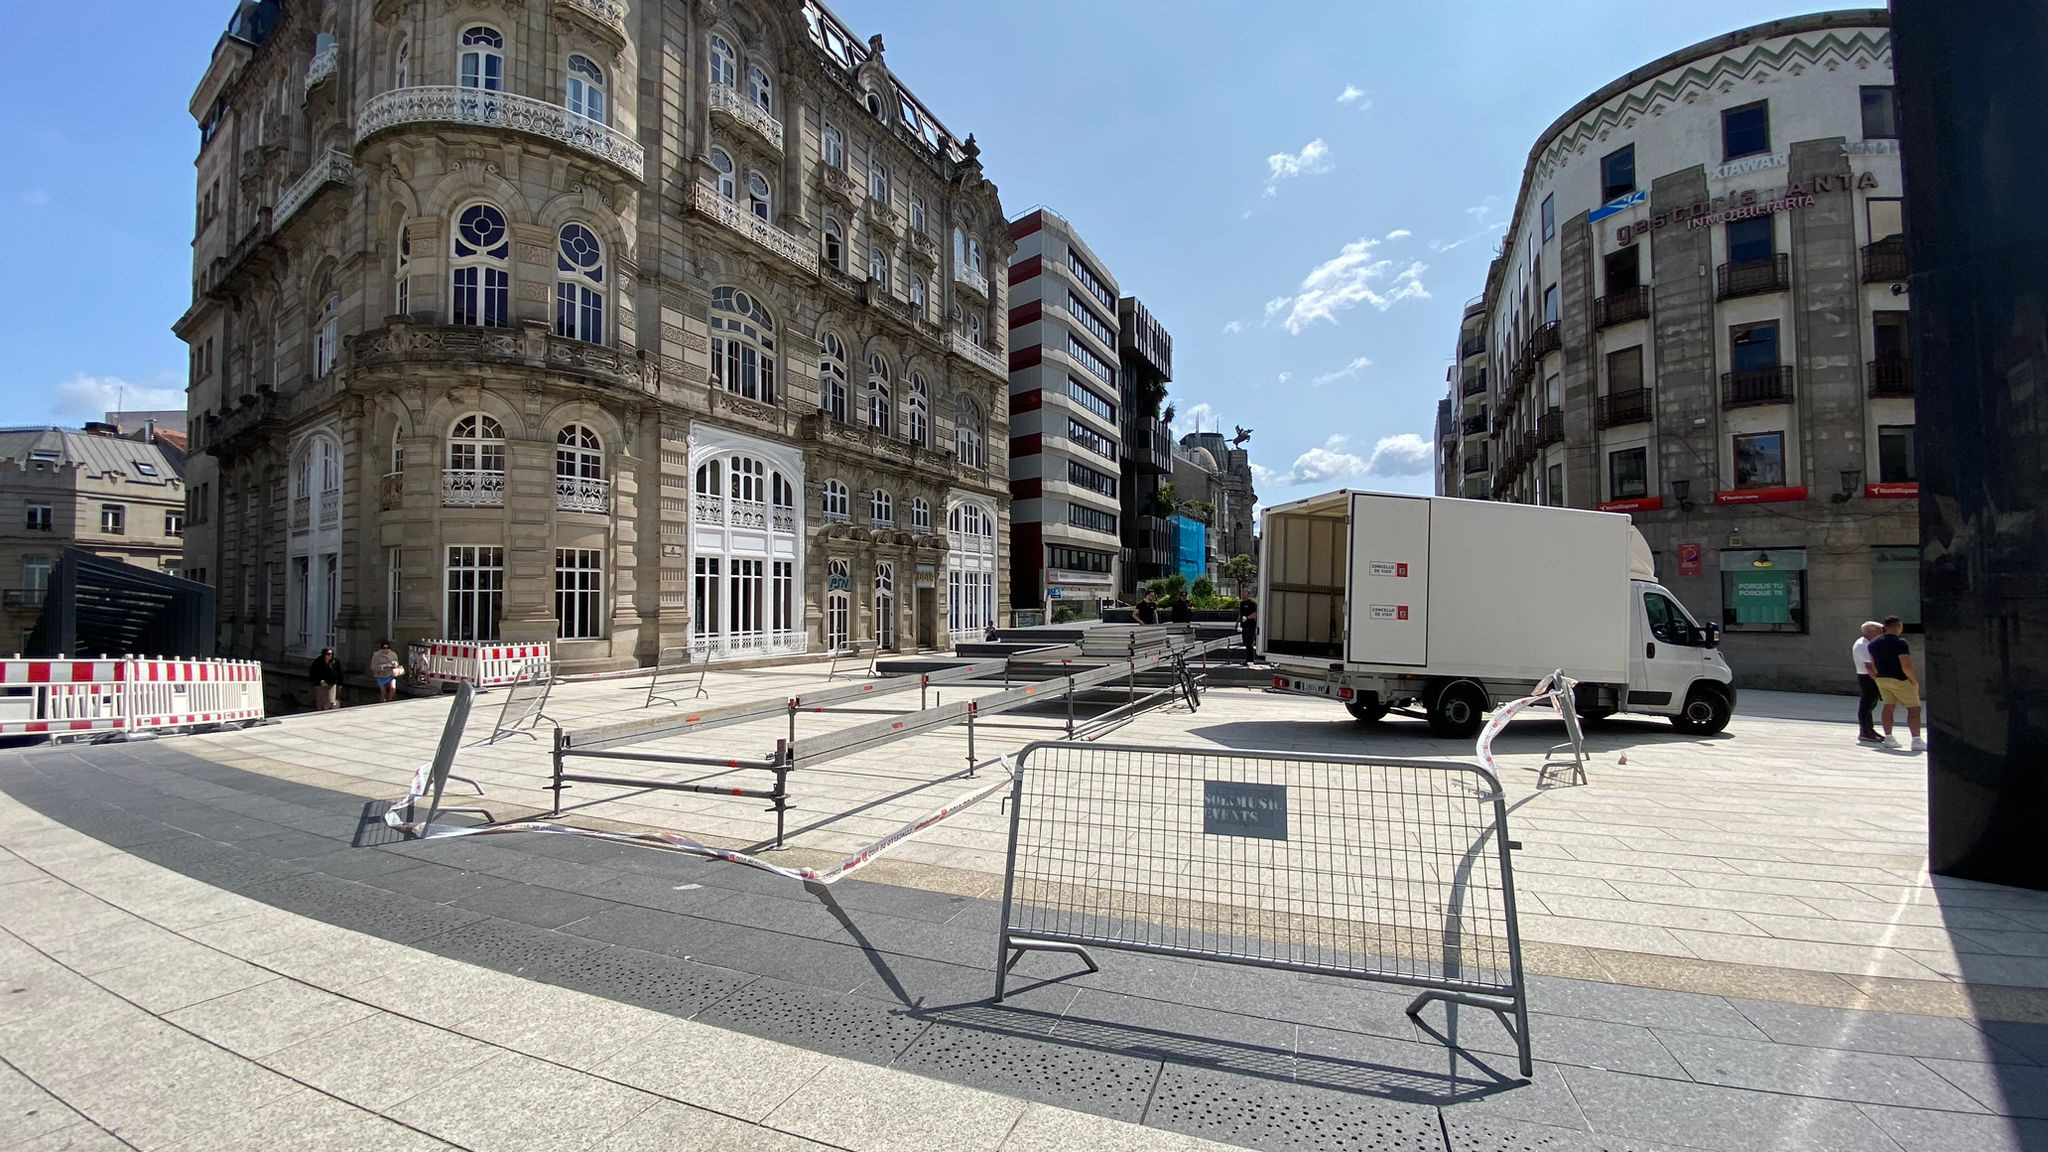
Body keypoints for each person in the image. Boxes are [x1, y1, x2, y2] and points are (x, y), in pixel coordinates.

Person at [1867, 616, 1923, 752]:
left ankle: (1889, 737)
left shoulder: (1873, 643)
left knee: (1888, 706)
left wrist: (1878, 677)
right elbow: (1906, 664)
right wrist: (1914, 680)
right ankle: (1916, 740)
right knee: (1914, 708)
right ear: (1898, 626)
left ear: (1884, 627)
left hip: (1882, 678)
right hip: (1900, 679)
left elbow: (1873, 663)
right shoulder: (1900, 642)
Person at [1852, 620, 1883, 744]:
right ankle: (1865, 731)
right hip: (1867, 677)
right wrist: (1878, 680)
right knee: (1867, 704)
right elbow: (1869, 666)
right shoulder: (1863, 645)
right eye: (1880, 631)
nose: (1882, 634)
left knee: (1870, 704)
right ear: (1871, 632)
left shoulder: (1868, 643)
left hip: (1868, 676)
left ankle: (1869, 729)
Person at [1239, 596, 1260, 662]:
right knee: (1245, 642)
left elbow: (1255, 614)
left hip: (1250, 626)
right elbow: (1241, 613)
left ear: (1248, 594)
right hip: (1244, 626)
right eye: (1243, 593)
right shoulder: (1242, 603)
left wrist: (1247, 617)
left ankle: (1250, 659)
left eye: (1245, 593)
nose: (1243, 594)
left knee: (1249, 643)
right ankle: (1248, 659)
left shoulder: (1253, 603)